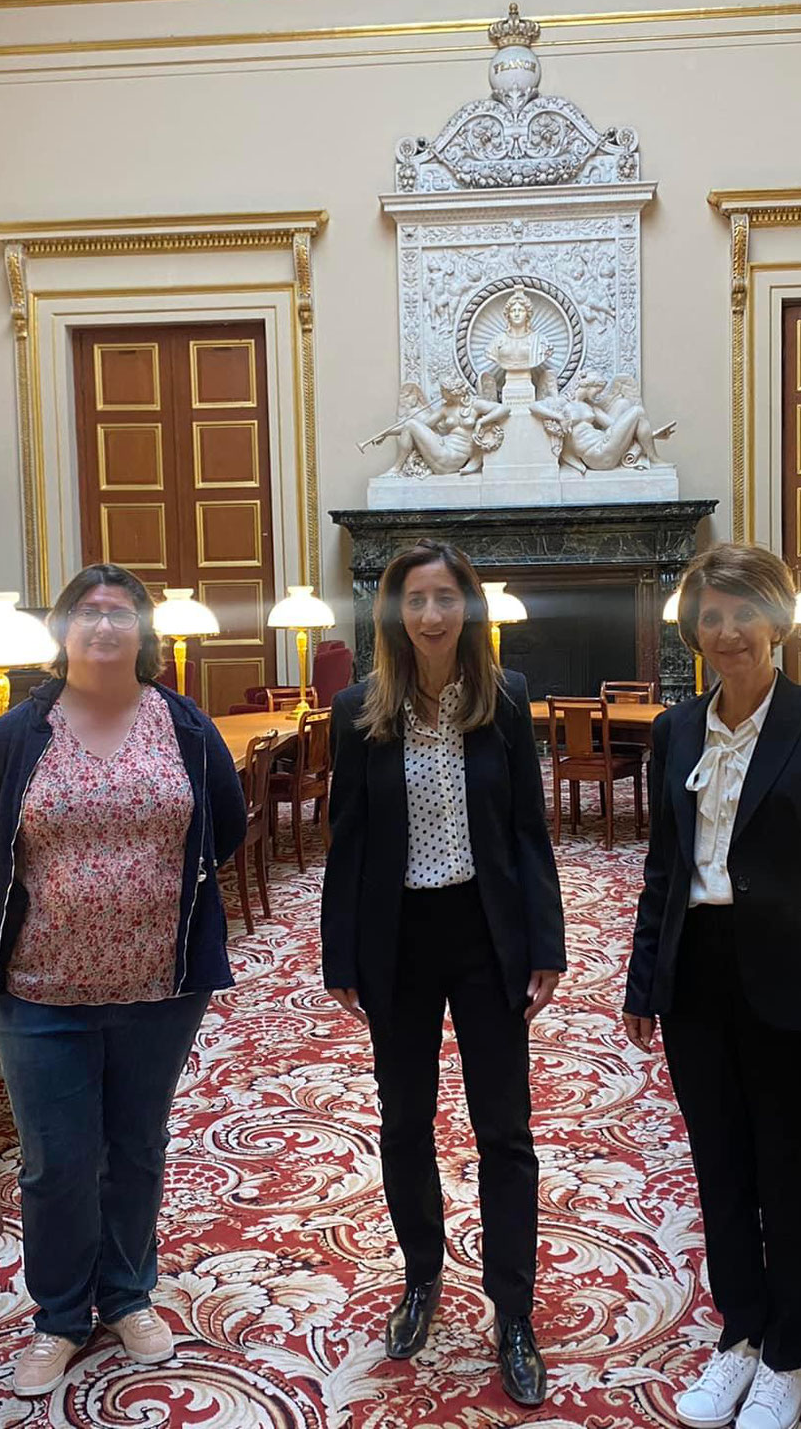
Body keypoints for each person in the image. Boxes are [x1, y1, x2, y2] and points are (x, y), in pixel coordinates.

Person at [0, 563, 245, 1398]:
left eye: (119, 614)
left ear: (143, 633)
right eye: (87, 613)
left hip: (160, 985)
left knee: (136, 1148)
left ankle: (126, 1293)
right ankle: (57, 1316)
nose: (104, 627)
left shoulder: (184, 727)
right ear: (63, 630)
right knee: (55, 1161)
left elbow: (224, 826)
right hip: (39, 985)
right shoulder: (19, 731)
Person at [621, 542, 801, 1429]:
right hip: (698, 973)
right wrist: (642, 981)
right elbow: (666, 868)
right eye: (711, 614)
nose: (727, 631)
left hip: (794, 982)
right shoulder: (677, 728)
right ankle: (738, 1335)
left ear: (778, 621)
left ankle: (789, 1357)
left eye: (744, 613)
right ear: (694, 628)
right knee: (720, 1166)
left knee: (790, 1174)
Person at [321, 539, 564, 1408]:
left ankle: (514, 1308)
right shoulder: (360, 709)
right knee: (405, 1117)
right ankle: (421, 1272)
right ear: (396, 614)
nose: (430, 614)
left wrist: (547, 945)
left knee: (505, 1128)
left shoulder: (504, 700)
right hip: (398, 940)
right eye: (415, 600)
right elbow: (345, 842)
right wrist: (338, 953)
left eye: (445, 598)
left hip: (486, 934)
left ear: (468, 609)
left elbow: (530, 833)